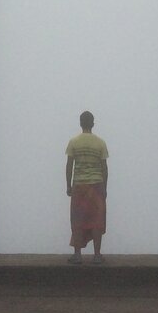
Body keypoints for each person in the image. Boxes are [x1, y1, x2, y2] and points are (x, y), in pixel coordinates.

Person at [65, 111, 109, 264]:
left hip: (79, 185)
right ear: (93, 124)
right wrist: (105, 188)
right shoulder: (100, 143)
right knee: (97, 220)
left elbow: (69, 165)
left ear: (80, 123)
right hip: (96, 186)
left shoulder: (73, 142)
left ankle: (77, 255)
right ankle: (97, 255)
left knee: (78, 219)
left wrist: (68, 185)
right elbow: (104, 168)